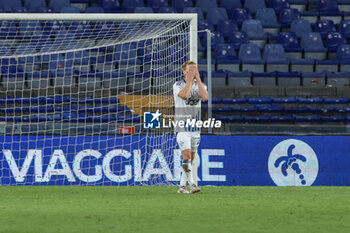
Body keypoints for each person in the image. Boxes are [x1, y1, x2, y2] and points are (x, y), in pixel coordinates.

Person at [173, 61, 208, 194]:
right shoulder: (178, 85)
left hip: (195, 127)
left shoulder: (201, 85)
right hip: (182, 126)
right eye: (190, 69)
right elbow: (184, 95)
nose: (193, 71)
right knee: (186, 155)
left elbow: (205, 97)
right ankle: (193, 185)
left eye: (195, 69)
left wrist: (198, 80)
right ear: (184, 71)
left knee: (191, 158)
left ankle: (182, 187)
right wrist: (189, 81)